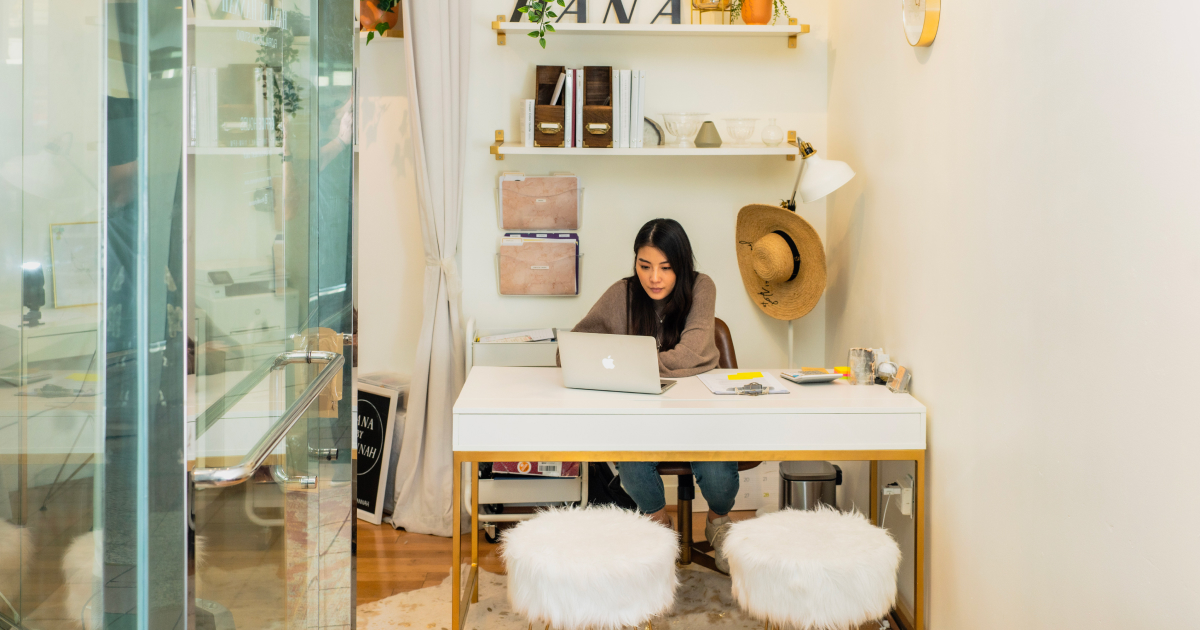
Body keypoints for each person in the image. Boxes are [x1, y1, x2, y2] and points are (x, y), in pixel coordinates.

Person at [568, 218, 739, 571]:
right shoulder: (624, 294)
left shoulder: (701, 287)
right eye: (644, 266)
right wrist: (595, 362)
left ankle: (718, 523)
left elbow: (694, 353)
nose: (654, 278)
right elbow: (575, 347)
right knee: (630, 461)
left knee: (720, 474)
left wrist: (632, 366)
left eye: (665, 267)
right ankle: (660, 526)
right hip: (644, 416)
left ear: (682, 265)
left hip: (699, 412)